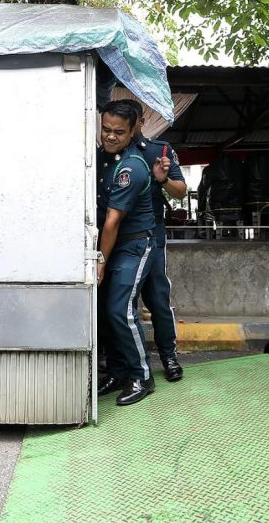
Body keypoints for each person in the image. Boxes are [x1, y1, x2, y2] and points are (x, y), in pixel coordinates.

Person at [95, 100, 157, 406]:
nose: (110, 136)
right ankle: (118, 372)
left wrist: (101, 261)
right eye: (106, 129)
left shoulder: (130, 168)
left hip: (133, 244)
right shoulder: (103, 159)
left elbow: (112, 221)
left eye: (119, 131)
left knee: (121, 309)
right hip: (114, 243)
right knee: (106, 312)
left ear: (133, 131)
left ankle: (142, 376)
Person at [121, 99, 187, 382]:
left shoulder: (160, 151)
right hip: (118, 233)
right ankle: (121, 363)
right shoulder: (109, 151)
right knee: (121, 301)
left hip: (152, 233)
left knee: (157, 297)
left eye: (130, 123)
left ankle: (168, 357)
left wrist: (162, 180)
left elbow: (181, 191)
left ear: (140, 123)